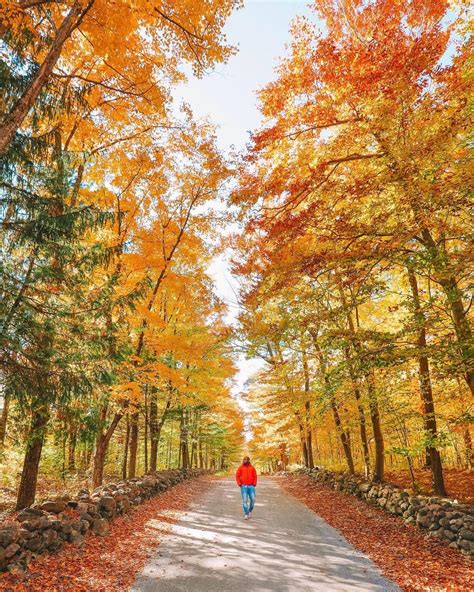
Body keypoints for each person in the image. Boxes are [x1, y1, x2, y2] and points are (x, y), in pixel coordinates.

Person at [235, 456, 257, 520]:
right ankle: (246, 513)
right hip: (243, 486)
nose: (244, 461)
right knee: (245, 500)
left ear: (248, 460)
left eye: (246, 460)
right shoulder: (240, 467)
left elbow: (255, 476)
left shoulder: (252, 468)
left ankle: (249, 511)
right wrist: (239, 484)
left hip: (251, 486)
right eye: (244, 460)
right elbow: (237, 476)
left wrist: (254, 484)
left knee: (253, 500)